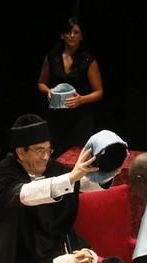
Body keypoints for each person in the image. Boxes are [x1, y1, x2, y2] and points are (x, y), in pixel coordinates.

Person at [0, 114, 121, 263]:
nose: (45, 156)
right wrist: (70, 178)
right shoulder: (2, 175)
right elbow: (26, 194)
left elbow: (82, 183)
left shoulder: (51, 168)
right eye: (39, 150)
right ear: (21, 152)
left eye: (48, 149)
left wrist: (107, 172)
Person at [37, 16, 103, 157]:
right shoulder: (52, 57)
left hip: (80, 119)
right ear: (62, 35)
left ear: (81, 36)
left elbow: (99, 91)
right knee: (55, 154)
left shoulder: (88, 59)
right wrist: (48, 91)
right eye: (68, 32)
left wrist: (81, 100)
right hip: (56, 117)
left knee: (77, 156)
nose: (72, 36)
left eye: (76, 32)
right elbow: (41, 83)